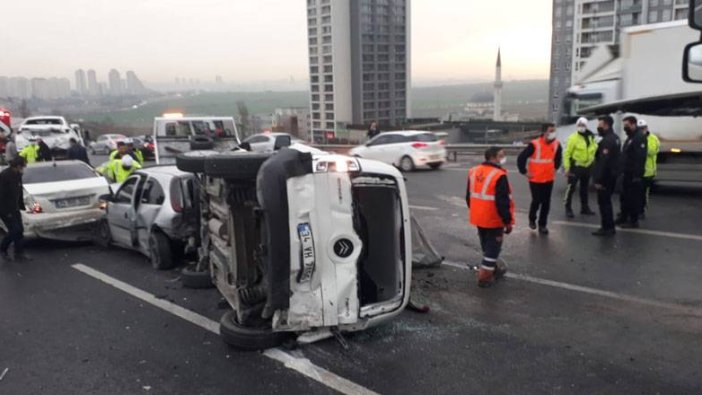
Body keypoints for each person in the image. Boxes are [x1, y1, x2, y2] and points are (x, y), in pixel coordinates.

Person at [466, 147, 515, 288]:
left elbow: (468, 196)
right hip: (493, 219)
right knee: (493, 249)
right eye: (501, 155)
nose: (503, 158)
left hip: (478, 217)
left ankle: (491, 268)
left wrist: (476, 211)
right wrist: (507, 221)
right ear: (492, 157)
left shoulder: (473, 171)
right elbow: (502, 202)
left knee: (486, 245)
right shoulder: (499, 175)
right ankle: (484, 278)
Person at [517, 123, 563, 234]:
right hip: (535, 178)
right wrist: (524, 172)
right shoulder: (535, 144)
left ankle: (542, 224)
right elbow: (521, 158)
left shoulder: (557, 144)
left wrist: (555, 168)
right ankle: (532, 219)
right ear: (544, 132)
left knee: (546, 202)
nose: (553, 133)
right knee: (537, 200)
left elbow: (558, 157)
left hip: (548, 178)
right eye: (550, 130)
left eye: (554, 130)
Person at [591, 116, 621, 237]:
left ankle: (607, 227)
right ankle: (609, 227)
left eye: (600, 125)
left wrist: (598, 180)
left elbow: (603, 162)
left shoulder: (607, 140)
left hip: (606, 177)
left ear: (606, 125)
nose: (598, 127)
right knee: (606, 202)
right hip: (612, 175)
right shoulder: (615, 138)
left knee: (604, 203)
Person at [616, 116, 648, 228]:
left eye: (627, 125)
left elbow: (640, 157)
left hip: (633, 174)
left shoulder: (639, 137)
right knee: (624, 197)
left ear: (634, 124)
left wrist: (637, 175)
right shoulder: (630, 137)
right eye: (624, 126)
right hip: (626, 173)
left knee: (633, 198)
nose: (625, 128)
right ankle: (623, 217)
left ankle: (633, 221)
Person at [563, 117, 597, 218]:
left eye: (583, 125)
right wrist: (567, 167)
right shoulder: (573, 138)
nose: (581, 127)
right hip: (575, 167)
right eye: (579, 125)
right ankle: (568, 208)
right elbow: (566, 153)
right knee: (571, 188)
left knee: (584, 188)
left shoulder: (591, 137)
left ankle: (584, 208)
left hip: (587, 167)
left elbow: (594, 149)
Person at [0, 157, 29, 261]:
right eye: (23, 166)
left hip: (15, 208)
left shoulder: (18, 175)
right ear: (17, 166)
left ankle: (19, 253)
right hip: (5, 209)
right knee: (14, 230)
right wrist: (5, 211)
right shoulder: (5, 175)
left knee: (20, 230)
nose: (23, 169)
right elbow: (2, 195)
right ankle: (3, 249)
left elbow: (19, 191)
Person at [639, 119, 659, 219]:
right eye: (640, 129)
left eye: (643, 128)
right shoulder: (636, 138)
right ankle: (636, 210)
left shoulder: (652, 138)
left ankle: (642, 211)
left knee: (643, 194)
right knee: (635, 192)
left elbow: (652, 151)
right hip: (637, 170)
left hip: (648, 171)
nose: (642, 130)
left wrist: (642, 146)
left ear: (646, 128)